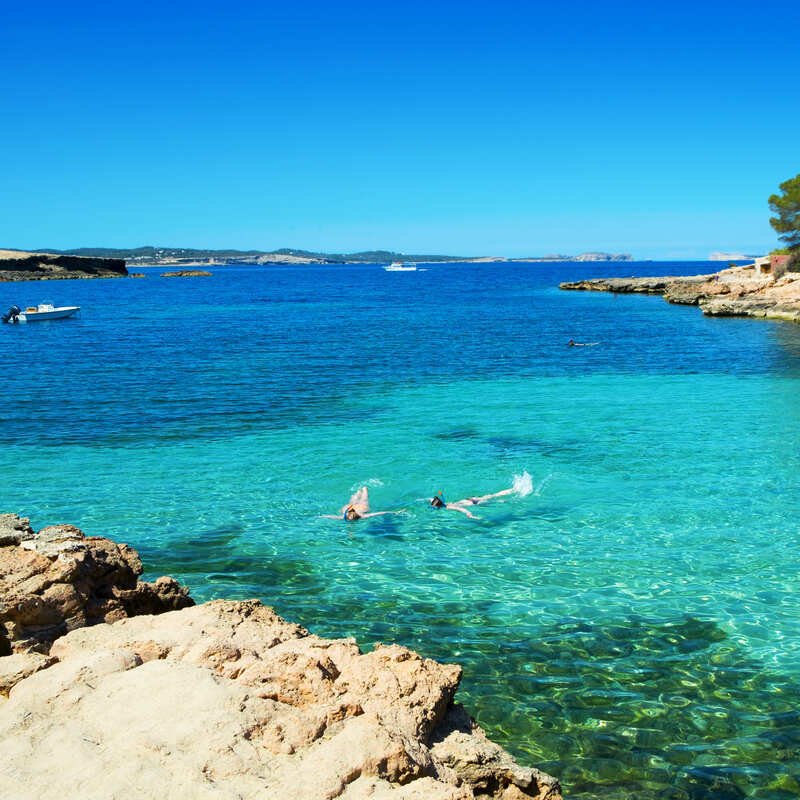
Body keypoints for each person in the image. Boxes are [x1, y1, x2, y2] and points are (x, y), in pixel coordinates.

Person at [322, 486, 405, 521]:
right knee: (362, 500)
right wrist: (394, 512)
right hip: (351, 506)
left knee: (363, 499)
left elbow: (331, 516)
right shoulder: (360, 516)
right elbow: (379, 513)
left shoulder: (361, 516)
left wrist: (393, 512)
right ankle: (363, 490)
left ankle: (362, 490)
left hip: (353, 506)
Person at [429, 486, 516, 519]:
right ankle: (512, 489)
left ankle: (509, 500)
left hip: (475, 503)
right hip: (470, 499)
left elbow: (461, 509)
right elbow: (436, 497)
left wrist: (470, 515)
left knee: (494, 501)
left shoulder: (448, 507)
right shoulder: (445, 502)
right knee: (493, 495)